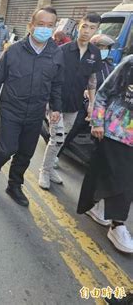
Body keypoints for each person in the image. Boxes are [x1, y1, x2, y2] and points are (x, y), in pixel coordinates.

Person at [0, 6, 64, 207]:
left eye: (49, 25)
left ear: (54, 28)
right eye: (40, 24)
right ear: (31, 26)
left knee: (26, 153)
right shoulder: (15, 50)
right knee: (6, 149)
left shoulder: (55, 53)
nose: (44, 29)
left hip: (36, 112)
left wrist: (56, 108)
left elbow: (57, 84)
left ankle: (14, 185)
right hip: (12, 109)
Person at [38, 12, 103, 190]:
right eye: (84, 26)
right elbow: (49, 77)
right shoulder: (63, 50)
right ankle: (44, 170)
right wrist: (49, 104)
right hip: (57, 103)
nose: (87, 31)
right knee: (56, 138)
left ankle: (50, 168)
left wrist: (91, 104)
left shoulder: (94, 53)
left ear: (96, 30)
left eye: (92, 28)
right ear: (78, 27)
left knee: (62, 139)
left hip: (74, 105)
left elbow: (92, 80)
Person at [77, 55, 133, 253]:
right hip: (118, 132)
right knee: (123, 181)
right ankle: (117, 225)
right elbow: (103, 94)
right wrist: (97, 122)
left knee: (115, 177)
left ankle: (98, 205)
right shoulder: (130, 63)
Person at [59, 34, 116, 157]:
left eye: (106, 48)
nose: (103, 50)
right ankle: (57, 154)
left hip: (100, 109)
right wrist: (89, 100)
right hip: (83, 104)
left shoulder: (110, 67)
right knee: (72, 129)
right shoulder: (86, 62)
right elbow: (82, 83)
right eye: (101, 47)